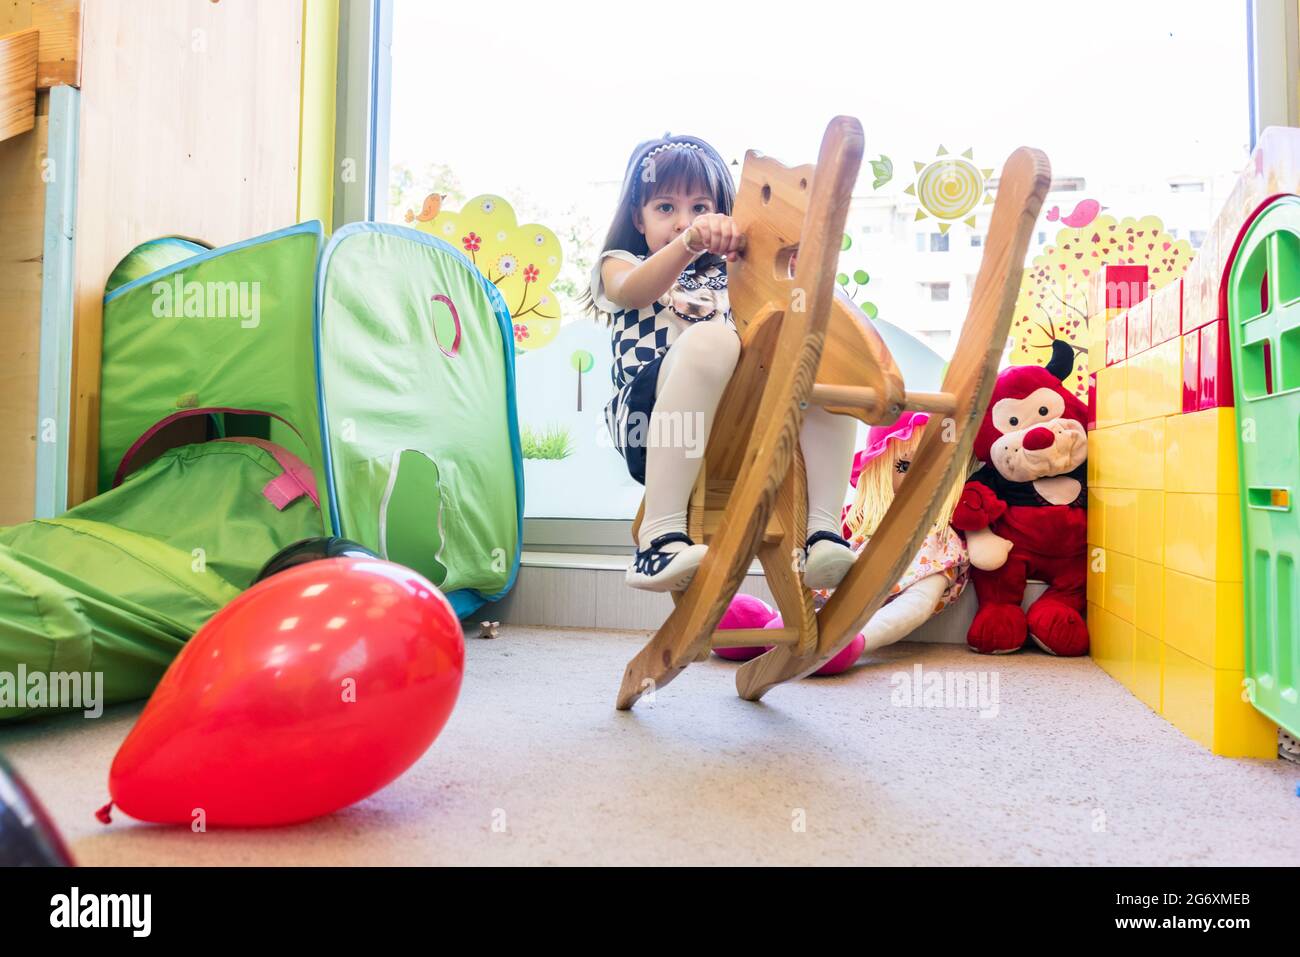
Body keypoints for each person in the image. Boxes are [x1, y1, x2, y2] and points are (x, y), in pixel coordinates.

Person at [583, 133, 857, 592]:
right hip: (651, 418)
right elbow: (631, 291)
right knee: (713, 341)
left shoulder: (734, 272)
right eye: (665, 208)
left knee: (815, 352)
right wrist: (688, 244)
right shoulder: (622, 261)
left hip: (737, 423)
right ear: (639, 217)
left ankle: (823, 531)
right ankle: (658, 539)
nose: (684, 221)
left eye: (700, 208)